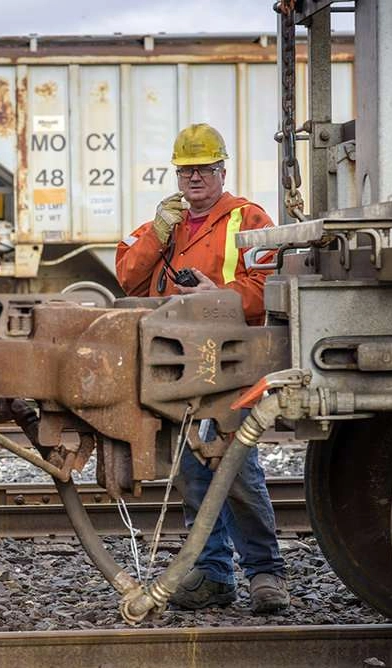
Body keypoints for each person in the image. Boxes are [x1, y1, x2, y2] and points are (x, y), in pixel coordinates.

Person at [114, 123, 289, 614]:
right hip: (177, 363)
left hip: (231, 358)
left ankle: (265, 574)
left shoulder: (248, 218)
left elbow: (269, 286)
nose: (194, 178)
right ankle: (212, 574)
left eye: (204, 169)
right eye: (187, 170)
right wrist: (158, 234)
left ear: (221, 170)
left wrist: (219, 295)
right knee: (191, 467)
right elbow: (127, 276)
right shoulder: (163, 226)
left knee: (236, 465)